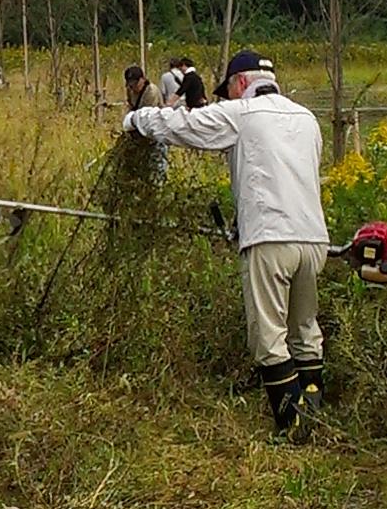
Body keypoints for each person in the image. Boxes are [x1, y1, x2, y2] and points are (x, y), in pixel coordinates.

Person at [124, 48, 330, 433]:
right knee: (305, 329)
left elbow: (182, 125)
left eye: (230, 90)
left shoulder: (242, 114)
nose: (229, 97)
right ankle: (315, 409)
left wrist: (137, 119)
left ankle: (293, 426)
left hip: (269, 239)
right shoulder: (308, 119)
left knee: (269, 337)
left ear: (240, 83)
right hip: (314, 239)